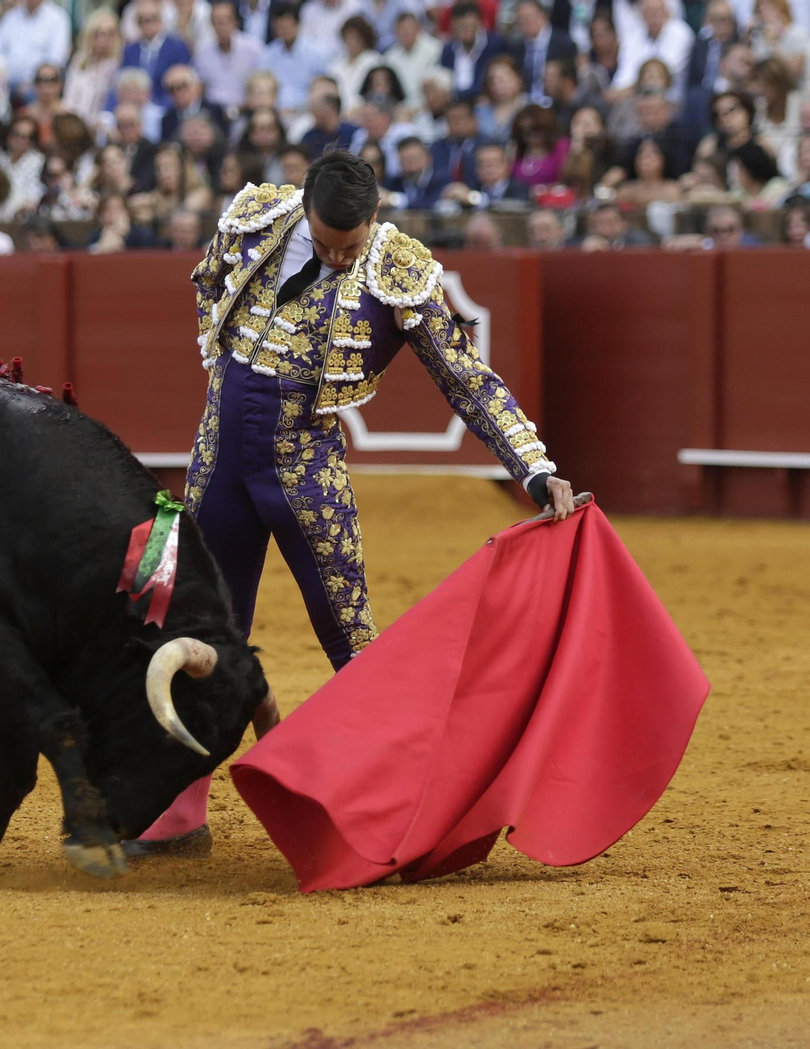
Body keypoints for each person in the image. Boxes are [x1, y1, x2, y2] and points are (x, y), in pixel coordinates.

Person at [126, 149, 575, 858]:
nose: (338, 259)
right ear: (304, 207)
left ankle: (402, 807)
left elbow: (465, 377)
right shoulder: (257, 219)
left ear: (375, 217)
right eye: (326, 244)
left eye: (350, 246)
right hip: (219, 458)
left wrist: (535, 468)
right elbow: (208, 278)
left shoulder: (397, 269)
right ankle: (179, 813)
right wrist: (226, 353)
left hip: (306, 471)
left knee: (352, 639)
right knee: (201, 628)